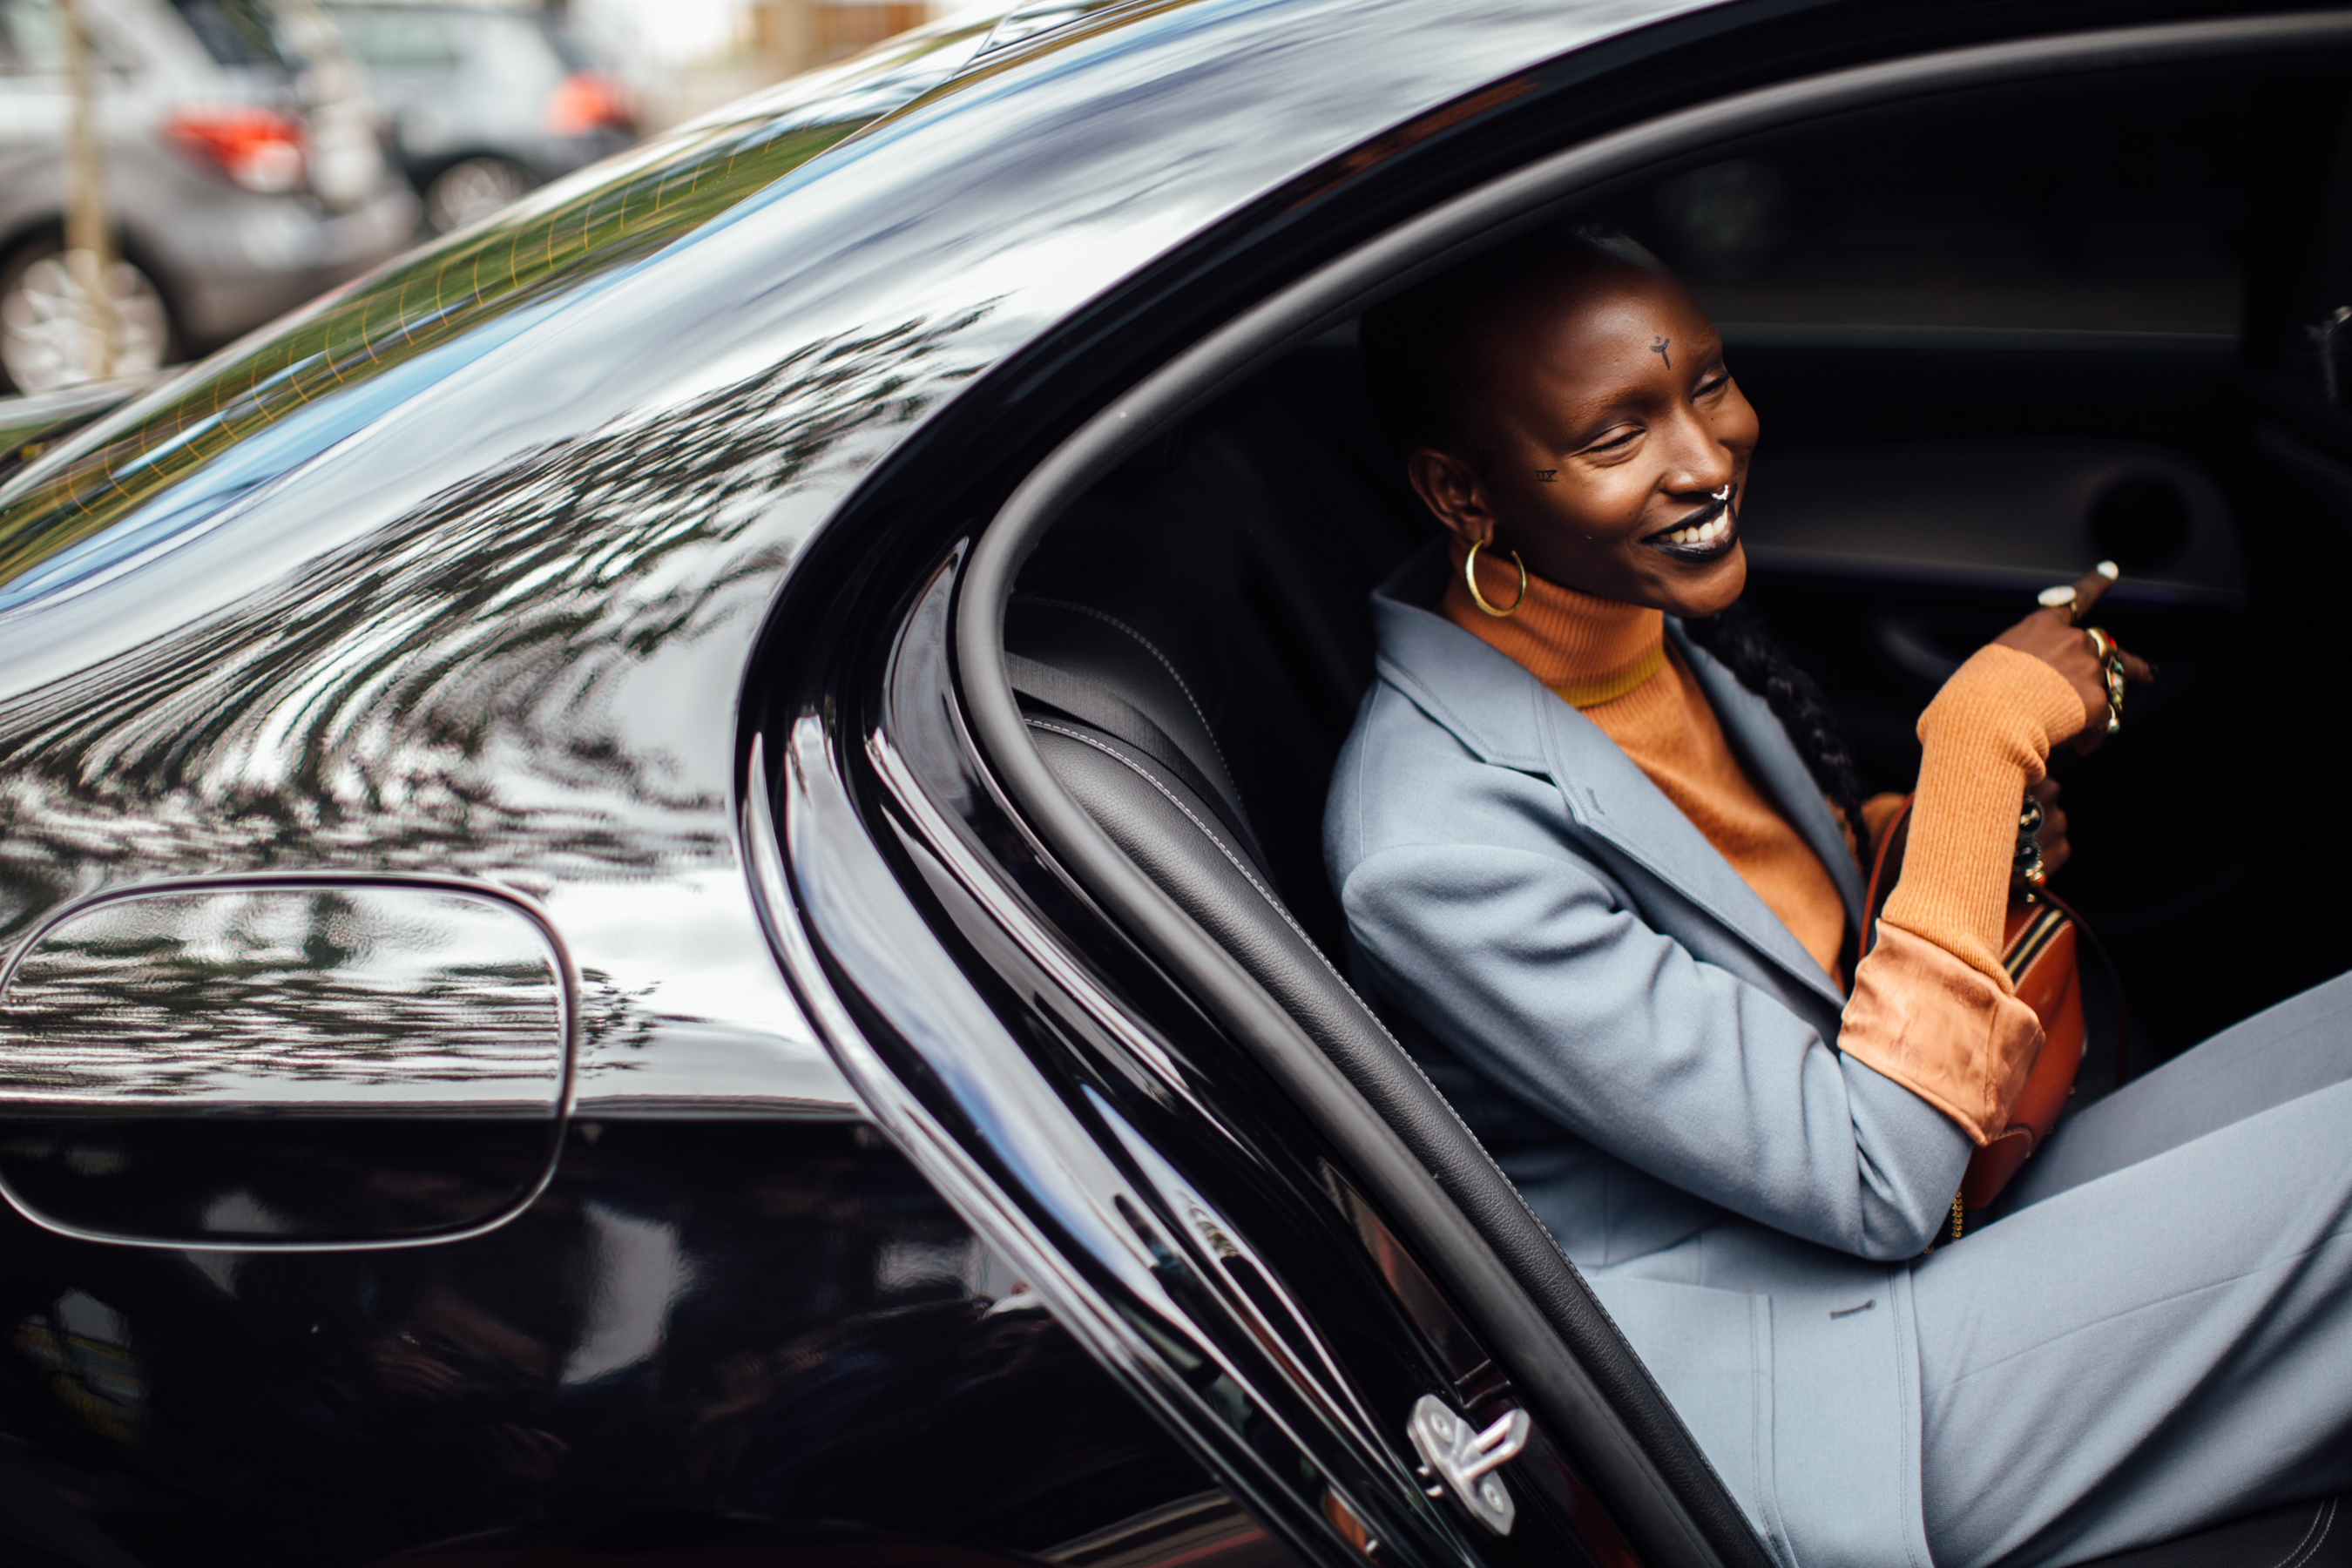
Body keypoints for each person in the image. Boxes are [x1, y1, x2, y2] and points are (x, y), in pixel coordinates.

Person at [1324, 226, 2352, 1568]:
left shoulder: (1624, 626)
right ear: (1464, 494)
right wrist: (1978, 748)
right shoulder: (1435, 848)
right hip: (1792, 1390)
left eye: (1706, 383)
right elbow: (1873, 1185)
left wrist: (1944, 838)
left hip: (1888, 1223)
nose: (1704, 459)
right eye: (1615, 433)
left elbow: (1784, 924)